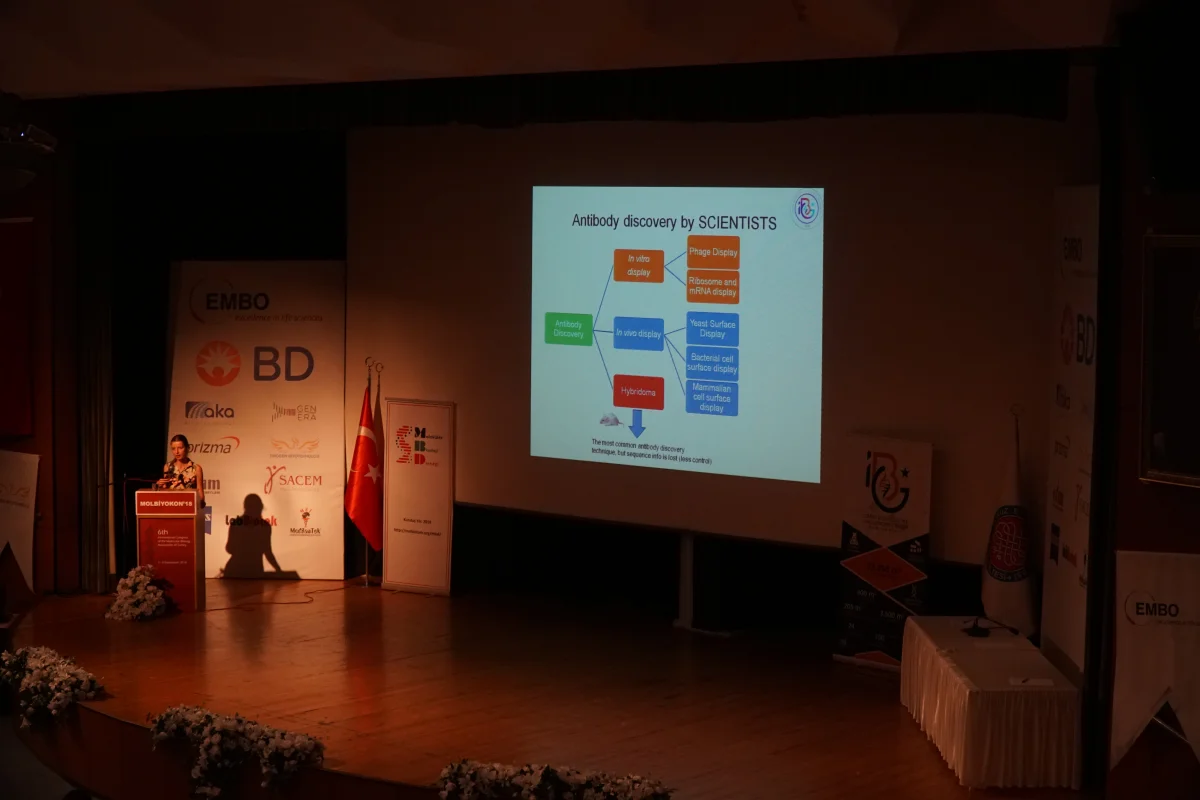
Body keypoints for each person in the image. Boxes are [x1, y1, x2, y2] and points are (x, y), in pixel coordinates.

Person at [157, 433, 205, 506]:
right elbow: (165, 491)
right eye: (173, 449)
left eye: (180, 448)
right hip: (172, 505)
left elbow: (200, 495)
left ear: (187, 448)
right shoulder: (168, 467)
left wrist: (199, 503)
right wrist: (160, 486)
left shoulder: (196, 468)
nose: (177, 452)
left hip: (189, 506)